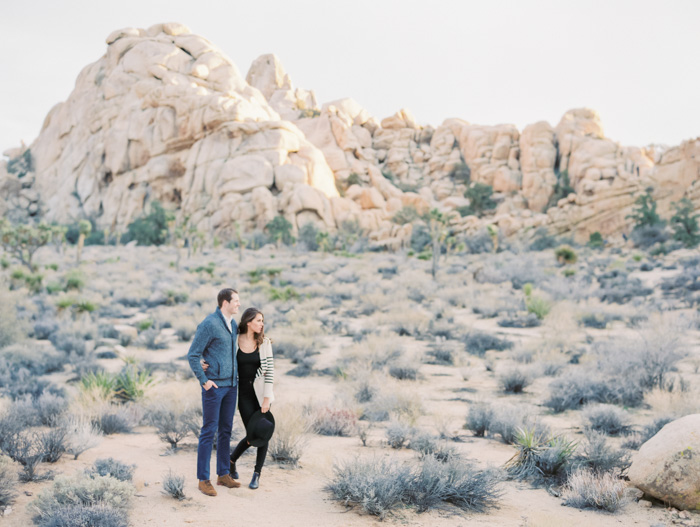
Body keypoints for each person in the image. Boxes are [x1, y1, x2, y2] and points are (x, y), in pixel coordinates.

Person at [205, 307, 274, 489]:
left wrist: (267, 398)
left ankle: (256, 474)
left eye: (262, 320)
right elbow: (216, 350)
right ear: (248, 322)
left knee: (263, 432)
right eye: (258, 320)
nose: (261, 324)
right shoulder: (235, 339)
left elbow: (270, 372)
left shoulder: (264, 343)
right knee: (252, 434)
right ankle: (232, 461)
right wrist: (202, 361)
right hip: (242, 393)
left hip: (259, 394)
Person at [187, 288, 241, 497]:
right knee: (209, 431)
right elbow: (193, 355)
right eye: (235, 301)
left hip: (231, 386)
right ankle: (203, 479)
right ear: (224, 303)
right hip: (214, 387)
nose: (238, 304)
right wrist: (204, 380)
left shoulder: (233, 324)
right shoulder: (209, 324)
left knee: (226, 430)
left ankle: (223, 474)